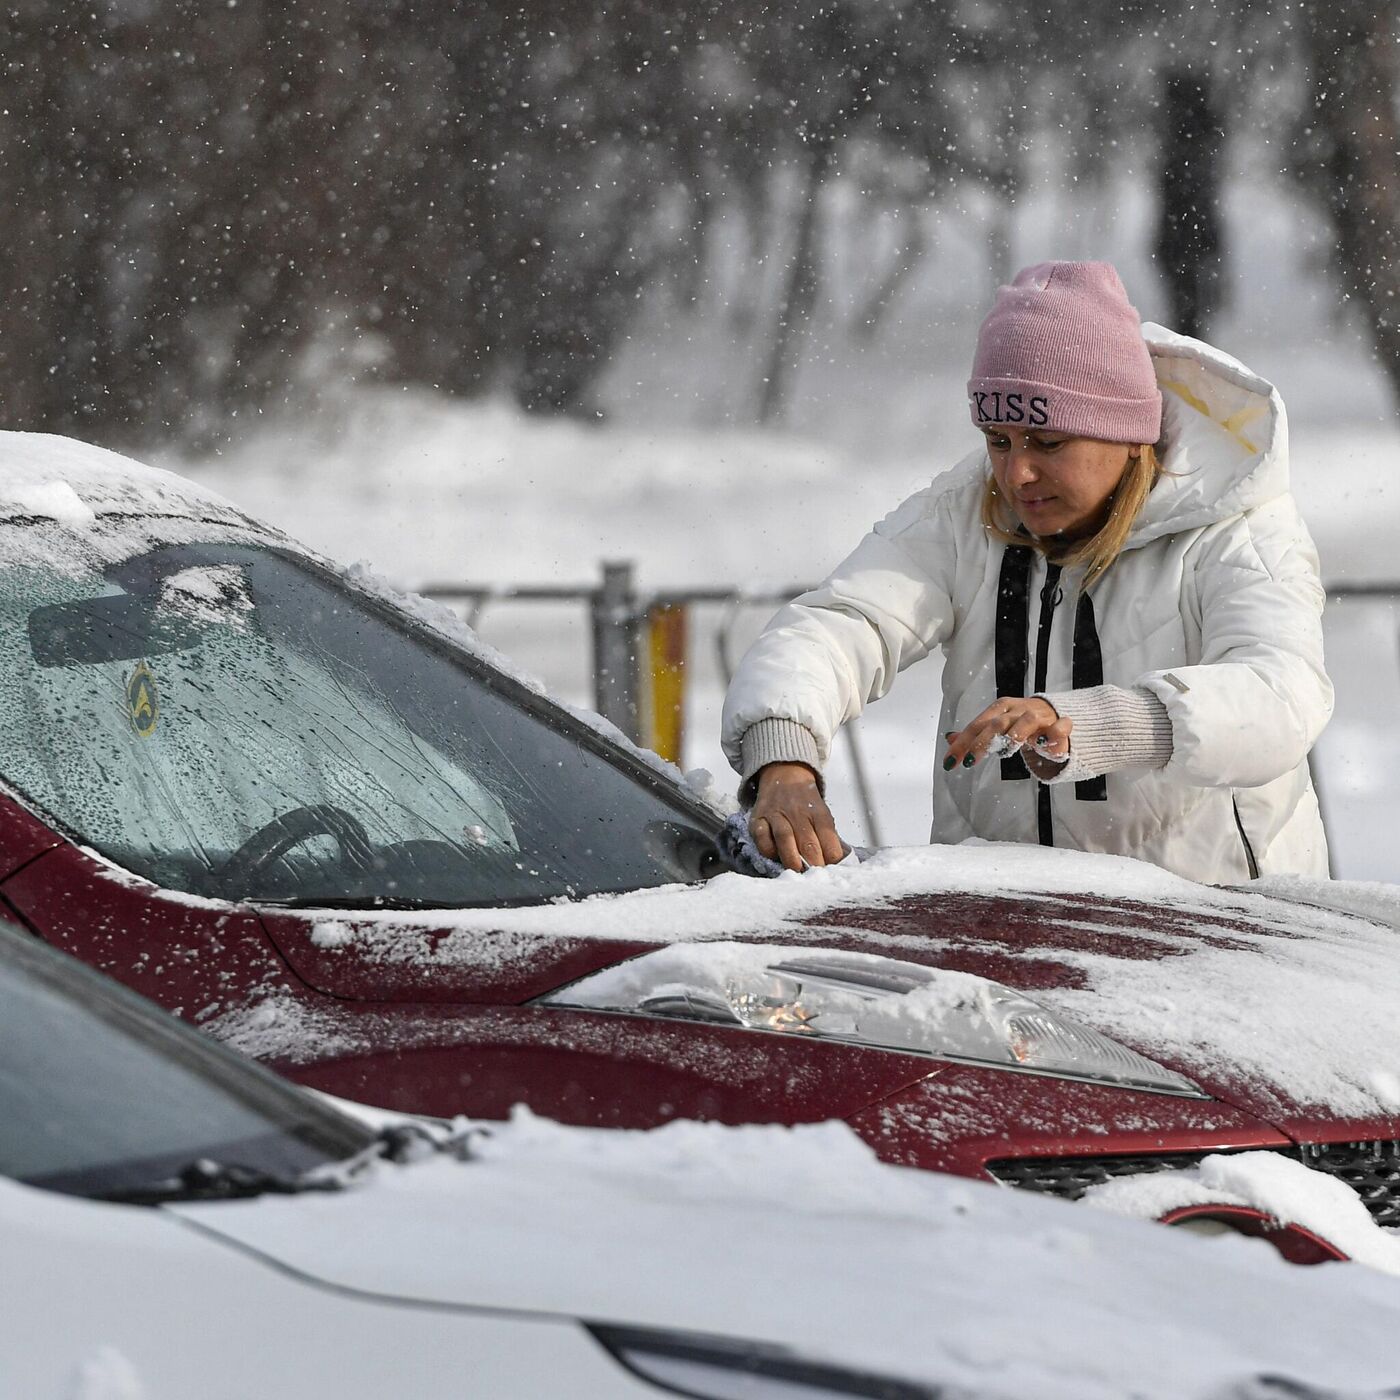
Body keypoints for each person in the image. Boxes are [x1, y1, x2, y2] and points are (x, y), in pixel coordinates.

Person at [720, 260, 1332, 885]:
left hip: (1211, 930)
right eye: (998, 439)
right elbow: (842, 623)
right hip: (1002, 919)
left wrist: (1101, 724)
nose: (1016, 476)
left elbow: (1280, 695)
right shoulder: (964, 510)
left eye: (1048, 442)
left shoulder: (1236, 526)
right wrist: (784, 758)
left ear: (1128, 434)